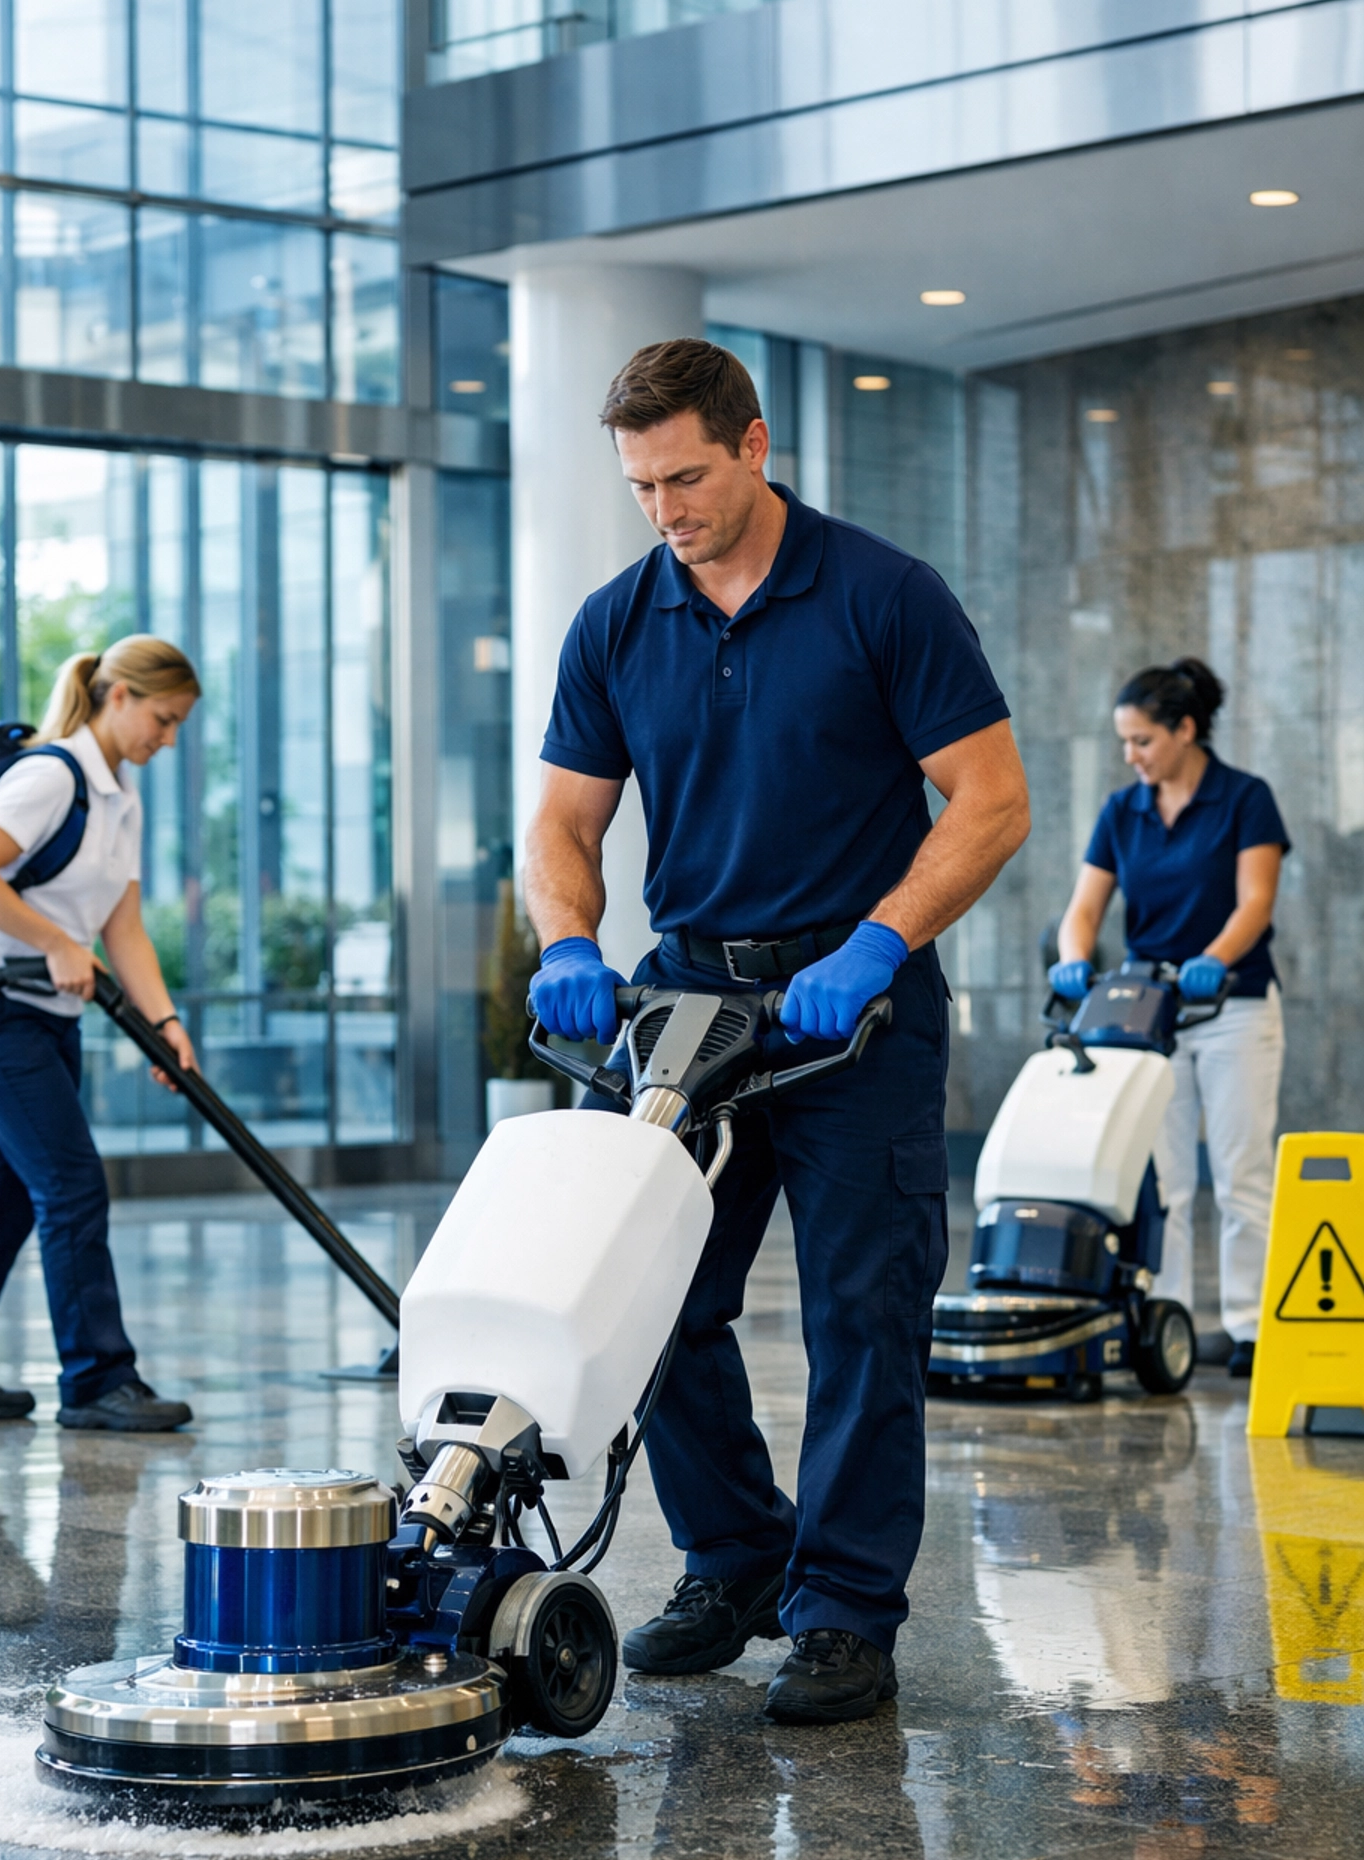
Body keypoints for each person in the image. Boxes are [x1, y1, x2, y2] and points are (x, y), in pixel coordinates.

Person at [525, 339, 1030, 1725]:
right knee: (642, 1297)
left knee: (862, 1313)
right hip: (685, 1002)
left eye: (687, 477)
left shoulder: (881, 594)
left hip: (850, 1012)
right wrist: (568, 940)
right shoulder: (618, 621)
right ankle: (737, 1556)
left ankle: (845, 1611)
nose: (666, 509)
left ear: (754, 446)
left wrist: (880, 940)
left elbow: (991, 798)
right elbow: (564, 820)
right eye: (641, 486)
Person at [0, 637, 202, 1432]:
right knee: (71, 1184)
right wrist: (58, 943)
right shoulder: (49, 776)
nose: (167, 740)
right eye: (163, 720)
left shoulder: (119, 798)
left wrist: (165, 1024)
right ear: (120, 696)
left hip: (48, 1019)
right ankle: (98, 1380)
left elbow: (123, 928)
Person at [1051, 657, 1288, 1379]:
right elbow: (1084, 909)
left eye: (1143, 741)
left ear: (1185, 730)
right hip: (1151, 1016)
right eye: (1124, 742)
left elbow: (1256, 902)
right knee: (1165, 1181)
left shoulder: (1245, 799)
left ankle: (1251, 1327)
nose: (1131, 755)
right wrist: (1073, 958)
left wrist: (1213, 958)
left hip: (1232, 1006)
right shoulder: (1123, 811)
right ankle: (1171, 1318)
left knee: (1242, 1172)